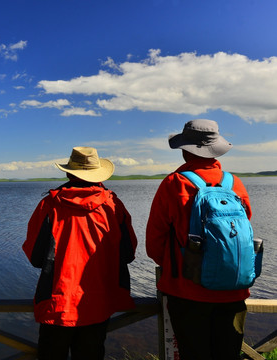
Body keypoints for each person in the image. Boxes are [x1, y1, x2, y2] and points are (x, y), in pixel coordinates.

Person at [146, 119, 252, 360]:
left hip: (187, 291)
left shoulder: (174, 184)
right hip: (233, 289)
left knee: (194, 354)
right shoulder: (235, 183)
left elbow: (155, 242)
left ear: (185, 151)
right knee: (228, 354)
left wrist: (178, 265)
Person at [22, 146, 137, 360]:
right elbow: (128, 254)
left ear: (68, 172)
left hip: (57, 305)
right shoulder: (113, 206)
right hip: (99, 304)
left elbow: (36, 258)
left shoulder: (49, 205)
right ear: (98, 173)